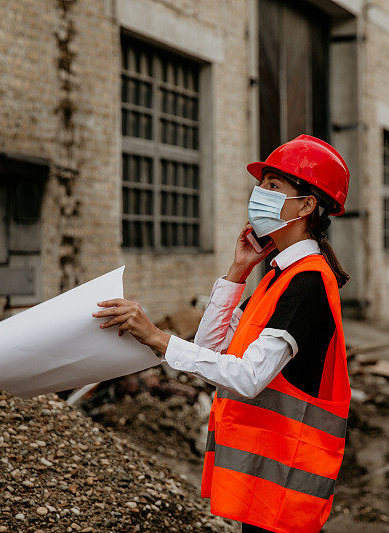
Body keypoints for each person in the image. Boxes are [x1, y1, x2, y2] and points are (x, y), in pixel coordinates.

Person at [93, 134, 352, 533]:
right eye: (261, 183)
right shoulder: (277, 279)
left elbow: (248, 377)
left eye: (273, 186)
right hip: (263, 482)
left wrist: (158, 337)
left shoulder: (309, 283)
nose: (258, 194)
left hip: (286, 484)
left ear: (306, 205)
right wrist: (238, 271)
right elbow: (209, 349)